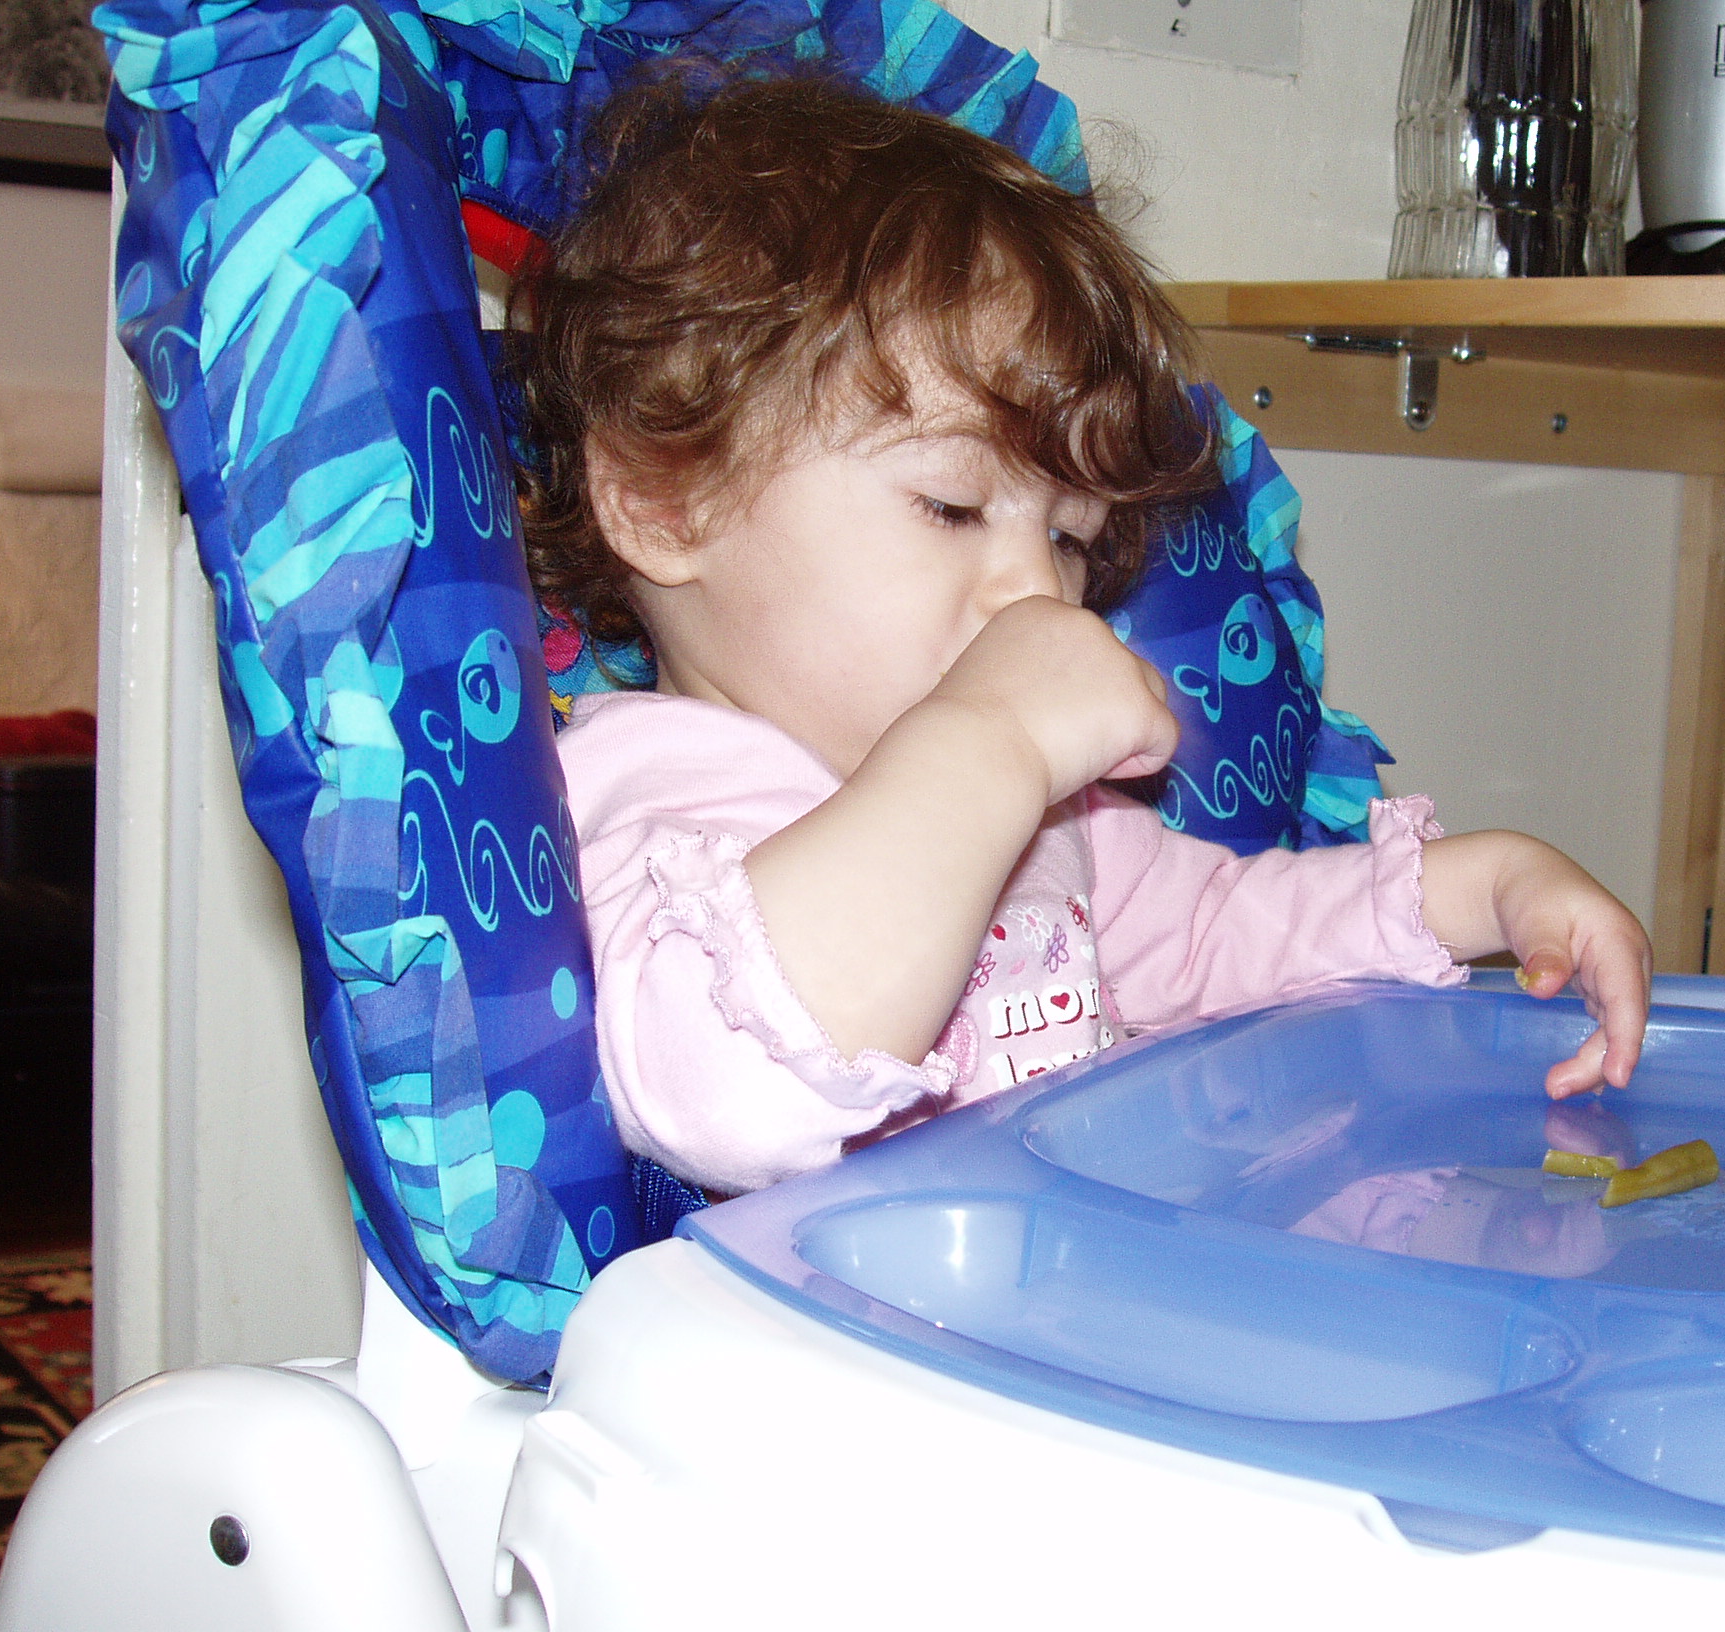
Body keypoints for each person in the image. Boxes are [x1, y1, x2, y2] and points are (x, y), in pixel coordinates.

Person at [514, 71, 1652, 1197]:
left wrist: (1483, 887)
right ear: (666, 505)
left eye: (1069, 539)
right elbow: (735, 1098)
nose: (1037, 594)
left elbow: (1218, 941)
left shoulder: (1055, 816)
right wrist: (991, 743)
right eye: (951, 507)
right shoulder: (637, 805)